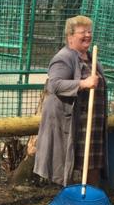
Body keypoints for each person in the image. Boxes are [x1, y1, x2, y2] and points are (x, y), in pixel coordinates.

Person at [34, 15, 108, 187]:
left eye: (89, 31)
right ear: (70, 37)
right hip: (73, 121)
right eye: (83, 32)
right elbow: (55, 85)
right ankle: (70, 198)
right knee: (68, 163)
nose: (88, 35)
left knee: (93, 164)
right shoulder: (63, 57)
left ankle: (90, 198)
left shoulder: (91, 58)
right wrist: (82, 83)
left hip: (93, 122)